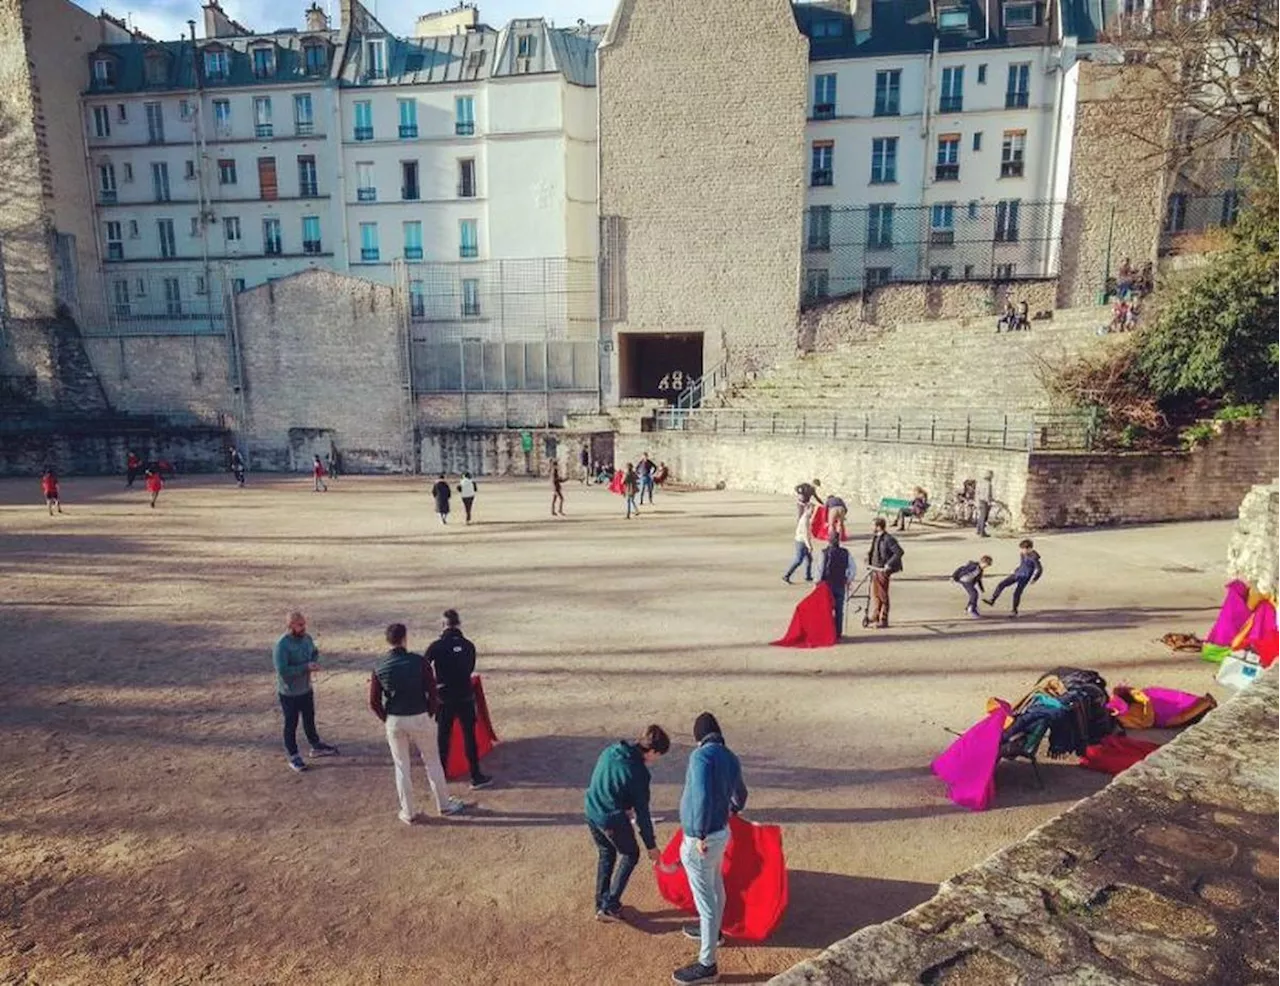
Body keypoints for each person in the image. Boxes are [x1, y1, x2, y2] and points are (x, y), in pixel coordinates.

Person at [673, 712, 748, 986]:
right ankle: (714, 933)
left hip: (701, 839)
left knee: (706, 900)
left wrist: (701, 832)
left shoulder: (700, 757)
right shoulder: (730, 756)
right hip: (721, 833)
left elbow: (702, 795)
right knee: (716, 886)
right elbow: (741, 795)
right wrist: (732, 810)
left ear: (698, 739)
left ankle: (708, 964)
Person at [369, 623, 465, 823]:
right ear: (405, 638)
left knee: (402, 766)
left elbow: (374, 702)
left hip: (395, 719)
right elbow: (432, 691)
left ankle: (409, 812)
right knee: (432, 761)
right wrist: (430, 712)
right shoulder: (418, 661)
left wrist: (387, 718)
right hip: (420, 715)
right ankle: (444, 804)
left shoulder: (379, 666)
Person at [584, 724, 670, 922]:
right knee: (631, 854)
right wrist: (651, 846)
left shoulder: (611, 751)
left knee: (606, 852)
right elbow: (642, 814)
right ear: (653, 751)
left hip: (591, 809)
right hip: (610, 818)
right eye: (658, 756)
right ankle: (610, 905)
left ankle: (601, 902)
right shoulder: (639, 773)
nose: (656, 760)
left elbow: (604, 780)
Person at [425, 609, 493, 790]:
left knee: (443, 736)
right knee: (469, 736)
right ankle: (476, 775)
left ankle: (441, 774)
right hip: (465, 696)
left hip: (444, 698)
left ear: (443, 625)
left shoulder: (436, 646)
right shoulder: (469, 645)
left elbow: (424, 668)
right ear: (459, 624)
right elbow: (470, 668)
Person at [273, 611, 339, 772]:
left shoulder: (307, 639)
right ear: (290, 626)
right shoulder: (281, 645)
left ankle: (316, 745)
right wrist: (305, 667)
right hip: (289, 693)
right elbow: (282, 670)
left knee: (309, 719)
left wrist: (314, 662)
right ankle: (293, 756)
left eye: (304, 624)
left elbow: (314, 652)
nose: (303, 627)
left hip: (306, 689)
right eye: (300, 625)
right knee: (291, 724)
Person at [984, 539, 1044, 617]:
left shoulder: (1034, 557)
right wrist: (1017, 569)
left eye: (1023, 549)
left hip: (1025, 577)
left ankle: (1014, 611)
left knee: (1017, 593)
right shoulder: (1022, 554)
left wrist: (1035, 579)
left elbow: (1039, 569)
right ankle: (992, 600)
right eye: (1021, 549)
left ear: (1029, 549)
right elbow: (1022, 564)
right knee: (1001, 584)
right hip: (1018, 573)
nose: (1022, 551)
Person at [866, 518, 903, 629]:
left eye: (873, 525)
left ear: (878, 526)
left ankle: (884, 619)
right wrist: (868, 559)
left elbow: (899, 552)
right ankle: (876, 615)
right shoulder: (876, 537)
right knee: (875, 594)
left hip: (883, 570)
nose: (871, 528)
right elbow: (874, 551)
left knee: (883, 594)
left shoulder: (888, 539)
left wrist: (889, 564)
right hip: (875, 568)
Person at [819, 531, 854, 636]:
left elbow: (820, 569)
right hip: (840, 583)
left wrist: (817, 582)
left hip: (827, 584)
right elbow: (852, 568)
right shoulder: (845, 552)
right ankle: (838, 632)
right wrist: (848, 579)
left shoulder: (824, 553)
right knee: (839, 609)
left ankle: (828, 631)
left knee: (827, 609)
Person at [783, 500, 816, 584]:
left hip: (802, 541)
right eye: (812, 510)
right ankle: (786, 575)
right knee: (798, 560)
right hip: (801, 542)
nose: (813, 512)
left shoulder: (806, 518)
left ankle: (808, 576)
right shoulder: (805, 520)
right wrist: (809, 546)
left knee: (809, 559)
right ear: (807, 509)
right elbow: (805, 534)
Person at [975, 470, 994, 537]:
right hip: (984, 501)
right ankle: (982, 532)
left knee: (980, 516)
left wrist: (976, 501)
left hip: (980, 500)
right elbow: (987, 494)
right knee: (984, 517)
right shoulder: (988, 484)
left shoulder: (980, 483)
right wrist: (989, 502)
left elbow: (977, 492)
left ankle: (978, 530)